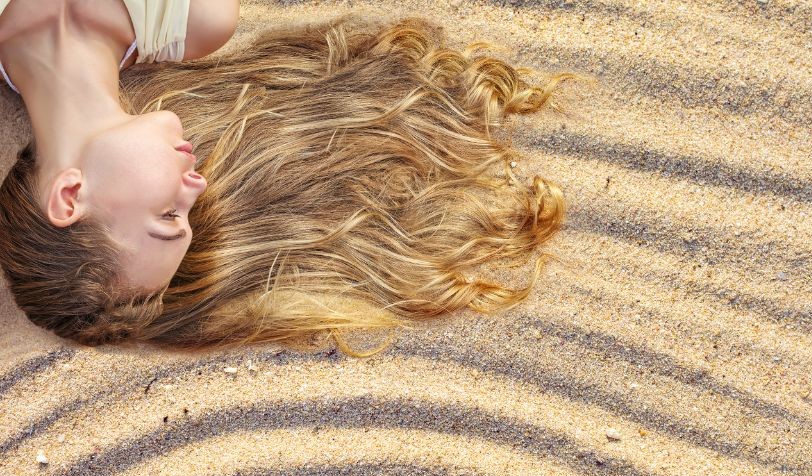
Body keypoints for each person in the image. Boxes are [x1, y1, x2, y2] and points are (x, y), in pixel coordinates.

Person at [0, 1, 578, 356]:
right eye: (190, 215)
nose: (194, 187)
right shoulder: (192, 18)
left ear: (71, 195)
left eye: (168, 216)